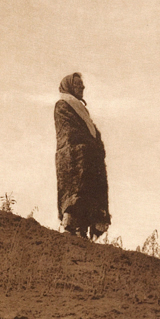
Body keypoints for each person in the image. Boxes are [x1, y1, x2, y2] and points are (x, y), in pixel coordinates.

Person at [54, 73, 110, 239]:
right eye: (78, 85)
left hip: (87, 157)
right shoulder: (62, 105)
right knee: (74, 192)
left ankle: (82, 230)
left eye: (82, 85)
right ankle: (70, 227)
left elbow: (93, 133)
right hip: (72, 156)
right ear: (70, 87)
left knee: (88, 192)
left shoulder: (80, 109)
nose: (83, 87)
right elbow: (69, 132)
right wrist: (90, 145)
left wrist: (96, 146)